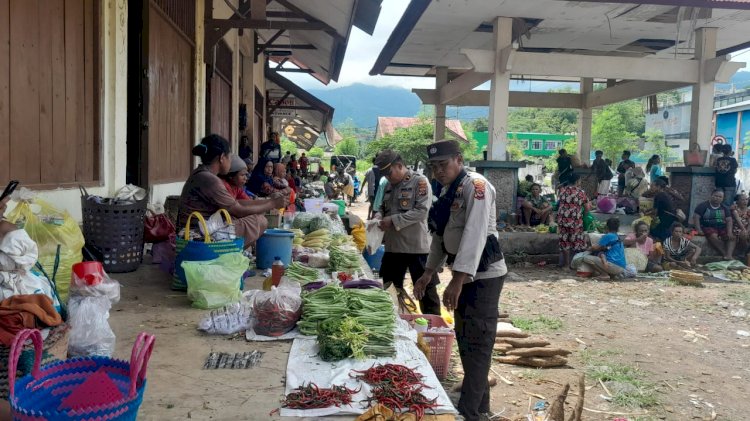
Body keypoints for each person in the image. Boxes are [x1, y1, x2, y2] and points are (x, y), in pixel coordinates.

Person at [413, 140, 507, 421]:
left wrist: (457, 280)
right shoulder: (448, 190)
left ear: (459, 159)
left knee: (476, 342)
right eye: (434, 166)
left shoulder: (475, 186)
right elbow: (441, 235)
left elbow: (475, 234)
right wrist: (429, 272)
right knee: (466, 340)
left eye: (443, 164)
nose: (438, 171)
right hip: (464, 275)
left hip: (482, 277)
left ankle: (469, 412)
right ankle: (480, 406)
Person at [178, 134, 288, 248]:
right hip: (198, 235)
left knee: (254, 215)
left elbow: (238, 202)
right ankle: (230, 256)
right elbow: (238, 210)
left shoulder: (202, 174)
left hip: (203, 228)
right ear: (221, 158)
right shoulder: (210, 180)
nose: (230, 162)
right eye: (229, 157)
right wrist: (273, 204)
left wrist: (269, 201)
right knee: (260, 221)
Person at [374, 150, 441, 316]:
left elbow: (422, 211)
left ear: (399, 165)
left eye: (389, 173)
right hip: (393, 247)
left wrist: (393, 220)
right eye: (384, 174)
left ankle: (433, 328)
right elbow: (383, 207)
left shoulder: (420, 182)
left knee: (426, 292)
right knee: (389, 289)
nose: (387, 177)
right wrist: (379, 215)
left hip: (417, 248)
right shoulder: (389, 185)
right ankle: (395, 322)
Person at [556, 173, 591, 269]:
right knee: (576, 242)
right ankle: (576, 264)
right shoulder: (581, 192)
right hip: (575, 221)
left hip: (562, 220)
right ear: (577, 181)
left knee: (564, 242)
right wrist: (585, 215)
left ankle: (566, 265)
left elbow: (559, 203)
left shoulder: (562, 191)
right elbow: (587, 208)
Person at [693, 189, 735, 260]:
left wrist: (729, 232)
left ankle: (729, 255)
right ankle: (724, 253)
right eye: (716, 196)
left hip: (721, 227)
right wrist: (698, 230)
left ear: (723, 198)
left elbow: (729, 220)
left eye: (720, 197)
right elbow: (696, 217)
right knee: (713, 236)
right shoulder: (703, 206)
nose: (717, 198)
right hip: (708, 226)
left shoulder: (724, 208)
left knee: (732, 238)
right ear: (711, 196)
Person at [732, 193, 750, 259]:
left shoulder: (748, 210)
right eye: (742, 200)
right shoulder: (735, 210)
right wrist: (744, 230)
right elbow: (738, 221)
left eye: (746, 199)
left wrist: (747, 230)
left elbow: (749, 222)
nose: (745, 201)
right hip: (737, 227)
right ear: (737, 201)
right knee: (743, 235)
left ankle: (747, 251)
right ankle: (743, 251)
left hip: (747, 228)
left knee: (746, 233)